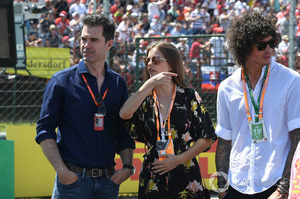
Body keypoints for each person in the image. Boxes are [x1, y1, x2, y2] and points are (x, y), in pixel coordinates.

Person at [35, 14, 135, 199]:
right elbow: (44, 130)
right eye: (83, 39)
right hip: (72, 182)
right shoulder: (61, 81)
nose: (85, 45)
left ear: (109, 44)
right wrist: (63, 173)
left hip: (108, 181)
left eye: (94, 40)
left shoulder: (118, 83)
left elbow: (124, 132)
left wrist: (127, 167)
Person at [215, 10, 300, 199]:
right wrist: (222, 188)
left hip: (275, 183)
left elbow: (298, 138)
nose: (269, 49)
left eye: (272, 43)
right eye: (262, 45)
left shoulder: (291, 81)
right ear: (244, 46)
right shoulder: (226, 88)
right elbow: (224, 142)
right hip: (237, 184)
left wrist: (284, 189)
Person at [119, 41, 216, 198]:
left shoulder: (189, 96)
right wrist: (148, 85)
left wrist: (177, 160)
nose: (150, 64)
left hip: (185, 173)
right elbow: (124, 114)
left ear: (171, 64)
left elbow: (206, 139)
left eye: (156, 60)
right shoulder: (144, 98)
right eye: (147, 61)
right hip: (153, 176)